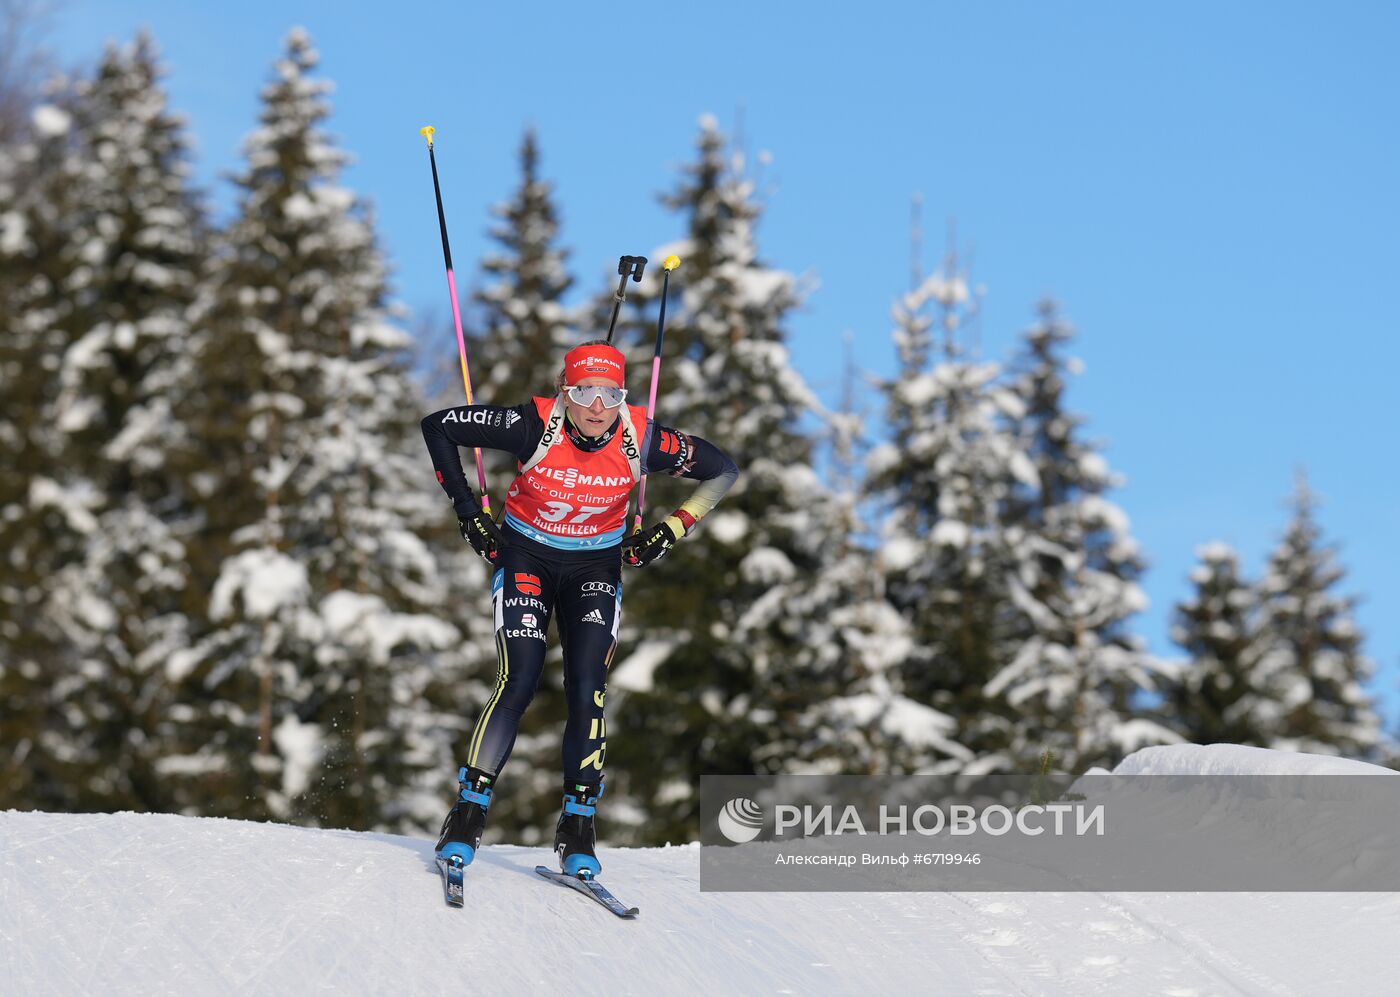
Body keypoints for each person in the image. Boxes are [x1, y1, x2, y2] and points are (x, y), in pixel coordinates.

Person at [420, 340, 739, 877]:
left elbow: (723, 470)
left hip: (594, 568)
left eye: (610, 393)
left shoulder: (644, 439)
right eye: (583, 391)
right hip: (524, 554)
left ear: (622, 397)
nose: (597, 406)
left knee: (587, 686)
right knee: (517, 679)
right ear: (564, 393)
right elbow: (439, 425)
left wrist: (669, 529)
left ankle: (578, 826)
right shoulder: (530, 425)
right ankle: (469, 814)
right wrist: (468, 511)